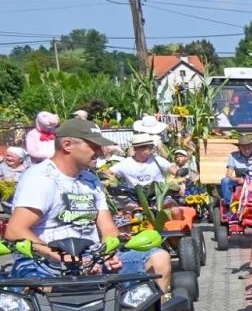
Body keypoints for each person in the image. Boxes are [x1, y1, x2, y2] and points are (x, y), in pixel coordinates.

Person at [4, 119, 172, 295]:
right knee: (44, 290)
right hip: (45, 264)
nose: (100, 152)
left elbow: (108, 228)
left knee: (159, 259)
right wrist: (65, 258)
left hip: (91, 260)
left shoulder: (91, 179)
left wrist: (108, 255)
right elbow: (15, 231)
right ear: (67, 145)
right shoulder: (40, 179)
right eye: (94, 146)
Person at [220, 134, 252, 209]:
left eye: (249, 147)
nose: (247, 149)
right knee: (225, 181)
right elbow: (228, 174)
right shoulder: (233, 156)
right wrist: (237, 179)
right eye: (244, 147)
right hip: (239, 181)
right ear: (239, 148)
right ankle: (229, 206)